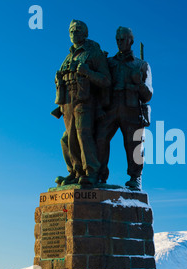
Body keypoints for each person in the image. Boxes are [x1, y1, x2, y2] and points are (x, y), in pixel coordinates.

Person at [54, 20, 111, 186]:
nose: (74, 33)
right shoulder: (69, 56)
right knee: (66, 139)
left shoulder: (93, 53)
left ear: (85, 33)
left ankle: (91, 171)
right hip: (67, 102)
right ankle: (75, 171)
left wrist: (87, 71)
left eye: (78, 30)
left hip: (85, 100)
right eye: (71, 30)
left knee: (83, 135)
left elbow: (106, 80)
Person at [96, 26, 153, 190]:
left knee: (133, 144)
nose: (120, 42)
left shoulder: (141, 65)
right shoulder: (109, 63)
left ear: (131, 41)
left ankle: (135, 177)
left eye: (123, 39)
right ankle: (99, 175)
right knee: (100, 138)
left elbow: (148, 95)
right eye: (118, 39)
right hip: (111, 106)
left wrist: (139, 83)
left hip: (132, 109)